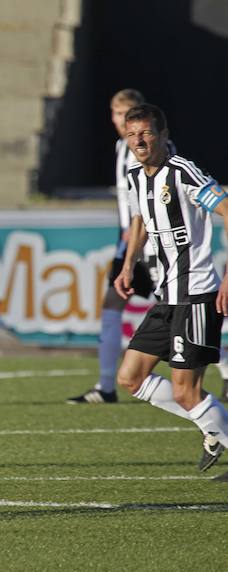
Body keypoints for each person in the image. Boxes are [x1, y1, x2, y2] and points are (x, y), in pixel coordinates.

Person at [114, 103, 228, 473]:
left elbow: (227, 210)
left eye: (146, 133)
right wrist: (128, 263)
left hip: (196, 294)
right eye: (132, 134)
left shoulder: (183, 173)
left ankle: (216, 429)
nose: (138, 140)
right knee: (130, 378)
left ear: (163, 136)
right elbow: (139, 220)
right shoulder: (134, 177)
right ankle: (211, 426)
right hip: (167, 296)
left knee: (185, 390)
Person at [68, 89, 157, 404]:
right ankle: (106, 385)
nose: (122, 121)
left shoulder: (149, 148)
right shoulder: (122, 147)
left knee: (185, 310)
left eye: (127, 114)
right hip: (131, 244)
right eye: (117, 114)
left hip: (155, 245)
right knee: (111, 306)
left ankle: (225, 371)